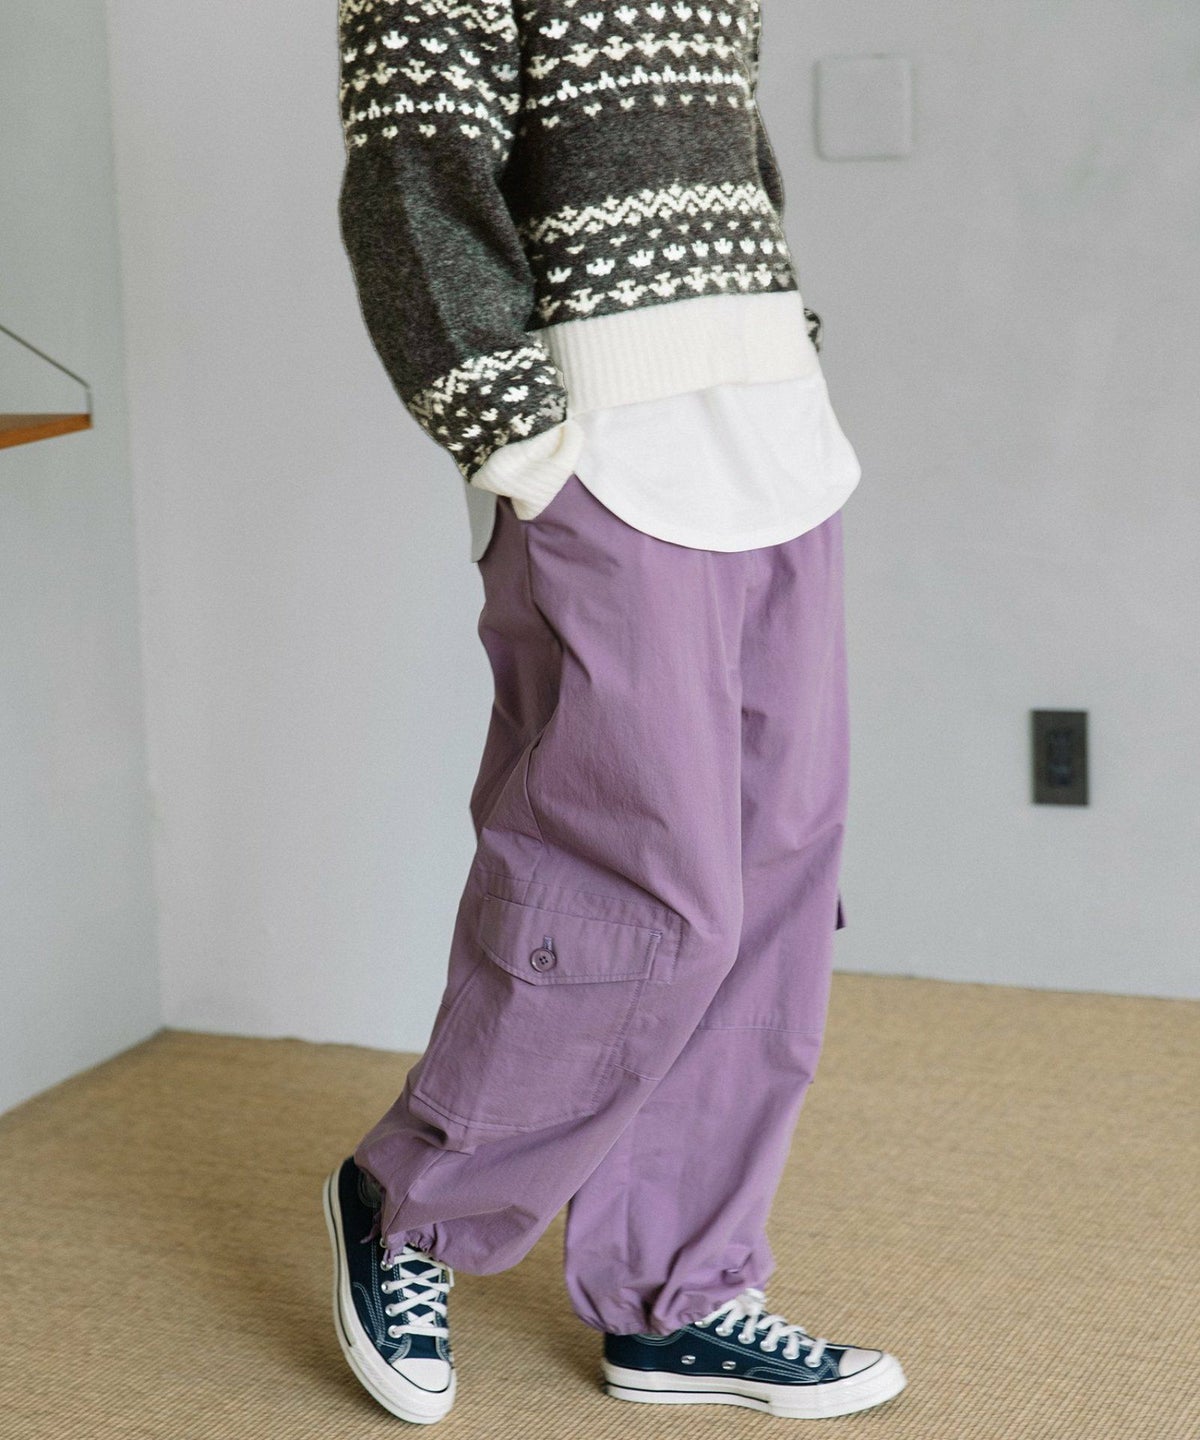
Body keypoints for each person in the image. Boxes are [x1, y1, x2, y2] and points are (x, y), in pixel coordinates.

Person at [322, 0, 906, 1424]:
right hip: (600, 443)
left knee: (773, 882)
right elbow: (411, 176)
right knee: (640, 884)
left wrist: (783, 341)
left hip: (773, 427)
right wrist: (516, 432)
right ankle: (408, 1204)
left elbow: (728, 147)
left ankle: (676, 1296)